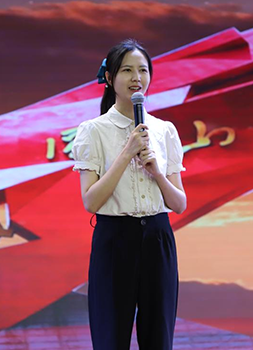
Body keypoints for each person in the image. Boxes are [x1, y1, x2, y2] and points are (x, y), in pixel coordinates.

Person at [71, 38, 187, 350]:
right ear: (109, 78)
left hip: (158, 239)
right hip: (115, 239)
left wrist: (157, 172)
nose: (137, 78)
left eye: (143, 70)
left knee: (159, 337)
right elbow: (90, 201)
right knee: (110, 337)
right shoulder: (93, 130)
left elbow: (179, 204)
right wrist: (127, 153)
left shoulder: (164, 130)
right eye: (127, 70)